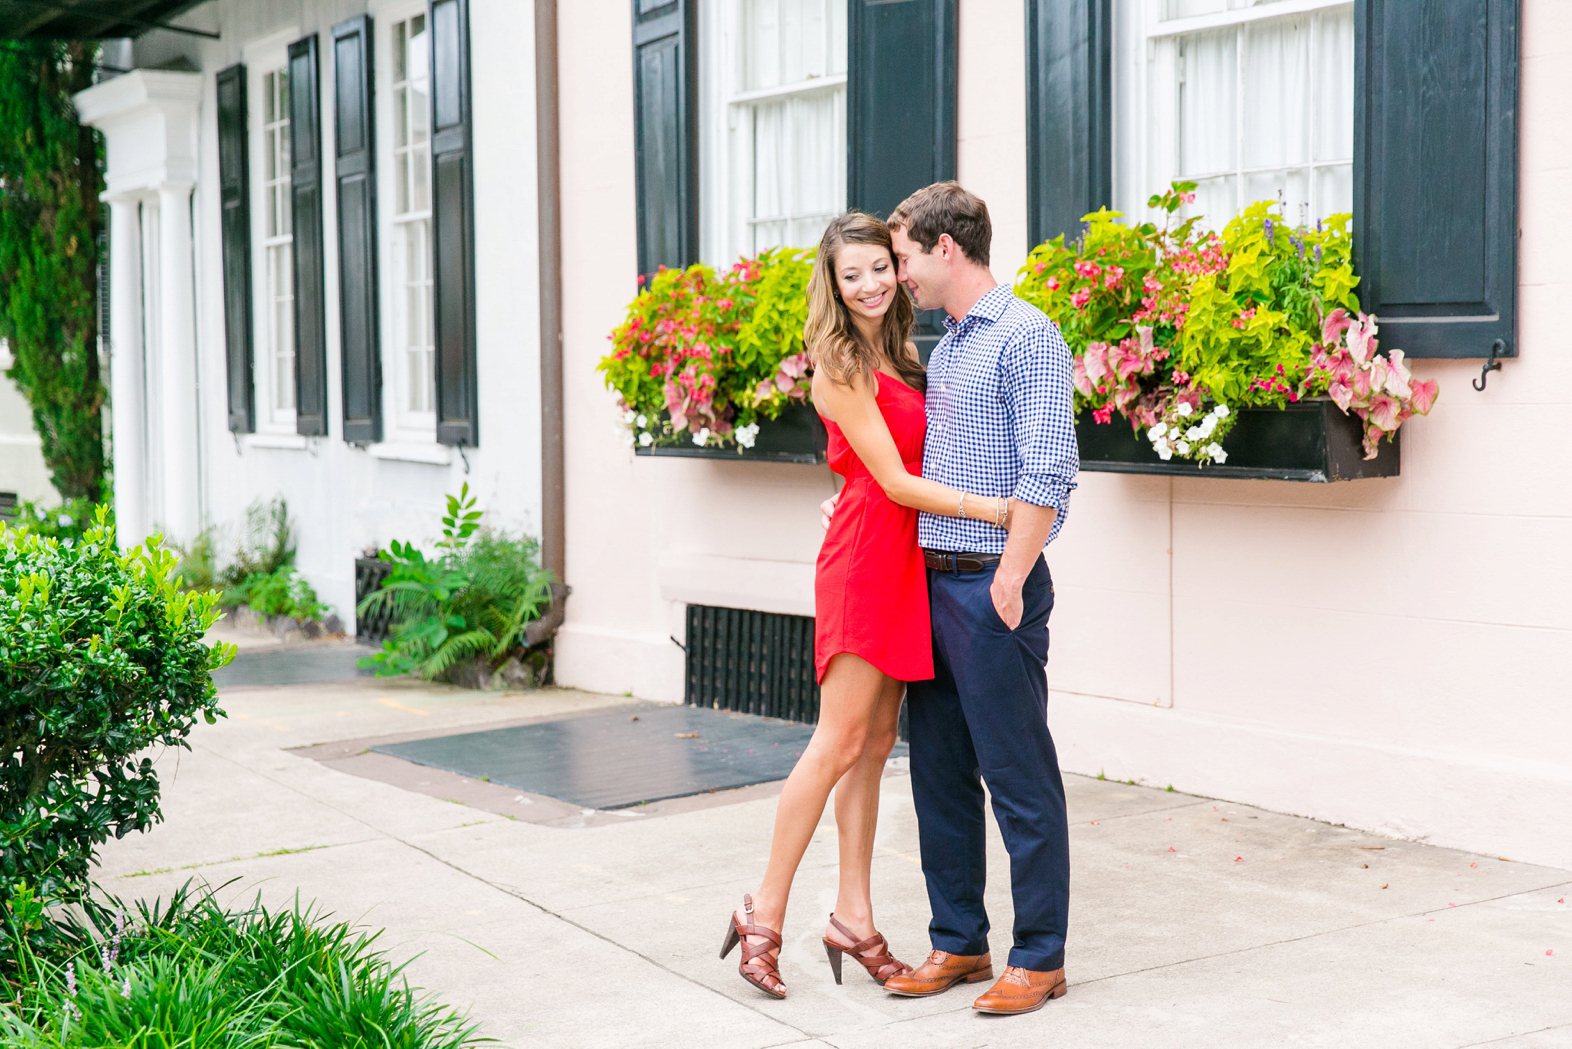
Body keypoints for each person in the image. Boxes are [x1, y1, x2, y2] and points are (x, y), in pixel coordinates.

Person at [721, 211, 1015, 1000]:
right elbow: (888, 482)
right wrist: (994, 509)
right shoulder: (838, 363)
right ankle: (765, 910)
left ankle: (855, 915)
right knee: (838, 739)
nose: (871, 284)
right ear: (833, 284)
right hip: (864, 561)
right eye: (851, 275)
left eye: (880, 267)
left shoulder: (903, 352)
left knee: (878, 743)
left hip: (903, 562)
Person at [869, 182, 1080, 1015]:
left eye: (907, 257)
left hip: (995, 585)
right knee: (942, 771)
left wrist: (1009, 575)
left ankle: (1041, 956)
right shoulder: (949, 345)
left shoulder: (1027, 334)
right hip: (931, 582)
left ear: (945, 248)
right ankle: (959, 939)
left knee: (1017, 773)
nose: (901, 275)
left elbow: (1049, 467)